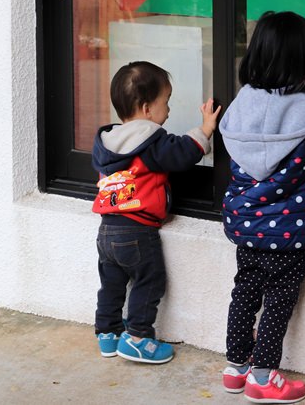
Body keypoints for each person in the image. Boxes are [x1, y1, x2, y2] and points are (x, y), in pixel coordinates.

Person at [218, 12, 305, 404]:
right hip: (291, 234)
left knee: (244, 292)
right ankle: (263, 377)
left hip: (245, 226)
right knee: (278, 303)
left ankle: (236, 369)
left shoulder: (240, 105)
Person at [92, 60, 221, 364]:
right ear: (148, 109)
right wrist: (205, 128)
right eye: (166, 102)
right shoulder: (150, 141)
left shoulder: (108, 143)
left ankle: (108, 334)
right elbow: (182, 153)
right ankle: (137, 337)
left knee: (111, 283)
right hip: (138, 230)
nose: (169, 110)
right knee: (149, 280)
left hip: (106, 230)